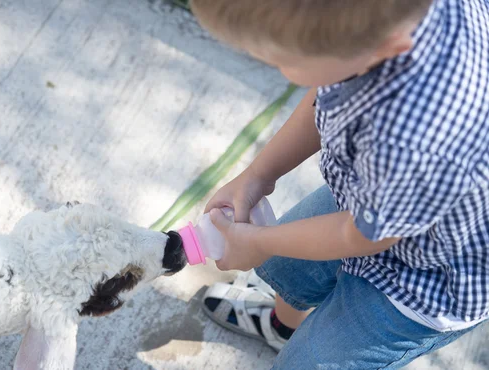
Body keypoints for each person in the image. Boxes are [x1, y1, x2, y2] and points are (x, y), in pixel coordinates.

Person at [191, 0, 489, 368]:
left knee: (311, 361)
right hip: (375, 201)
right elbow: (325, 93)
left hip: (429, 279)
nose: (277, 68)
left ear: (386, 47)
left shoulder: (418, 141)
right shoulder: (372, 32)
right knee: (286, 270)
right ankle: (281, 327)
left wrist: (256, 242)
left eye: (284, 60)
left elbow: (363, 235)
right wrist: (258, 174)